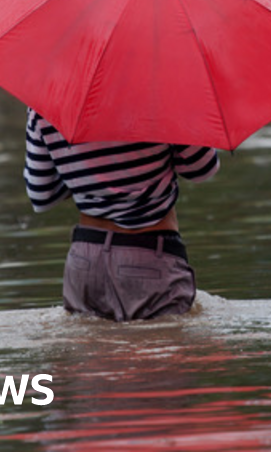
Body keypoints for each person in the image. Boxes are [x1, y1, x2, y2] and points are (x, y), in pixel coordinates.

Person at [23, 108, 220, 321]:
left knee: (93, 351)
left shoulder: (46, 106)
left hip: (85, 260)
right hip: (149, 254)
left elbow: (41, 194)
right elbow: (202, 169)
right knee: (161, 348)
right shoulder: (163, 97)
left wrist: (85, 175)